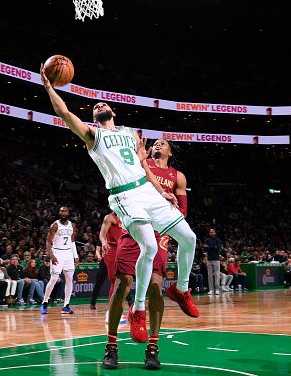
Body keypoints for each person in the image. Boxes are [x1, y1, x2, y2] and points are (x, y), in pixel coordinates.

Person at [41, 69, 198, 347]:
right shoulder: (93, 135)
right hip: (124, 196)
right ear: (92, 118)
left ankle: (181, 289)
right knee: (149, 245)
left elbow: (143, 165)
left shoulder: (129, 133)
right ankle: (138, 309)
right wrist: (50, 87)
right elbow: (65, 114)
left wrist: (162, 191)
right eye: (94, 107)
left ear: (112, 110)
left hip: (146, 190)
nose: (99, 106)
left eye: (102, 104)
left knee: (189, 238)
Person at [103, 139, 189, 370]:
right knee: (123, 284)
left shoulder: (177, 176)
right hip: (133, 227)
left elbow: (182, 211)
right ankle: (111, 346)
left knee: (155, 288)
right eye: (157, 142)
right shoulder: (140, 163)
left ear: (170, 152)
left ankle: (152, 348)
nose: (159, 144)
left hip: (159, 232)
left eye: (164, 143)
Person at [40, 206, 79, 315]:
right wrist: (51, 255)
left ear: (68, 213)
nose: (63, 213)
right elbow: (48, 242)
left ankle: (66, 305)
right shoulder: (55, 225)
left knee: (69, 279)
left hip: (68, 254)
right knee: (54, 279)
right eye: (61, 211)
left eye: (65, 211)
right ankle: (44, 302)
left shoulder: (72, 225)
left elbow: (72, 242)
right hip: (57, 252)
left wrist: (75, 256)